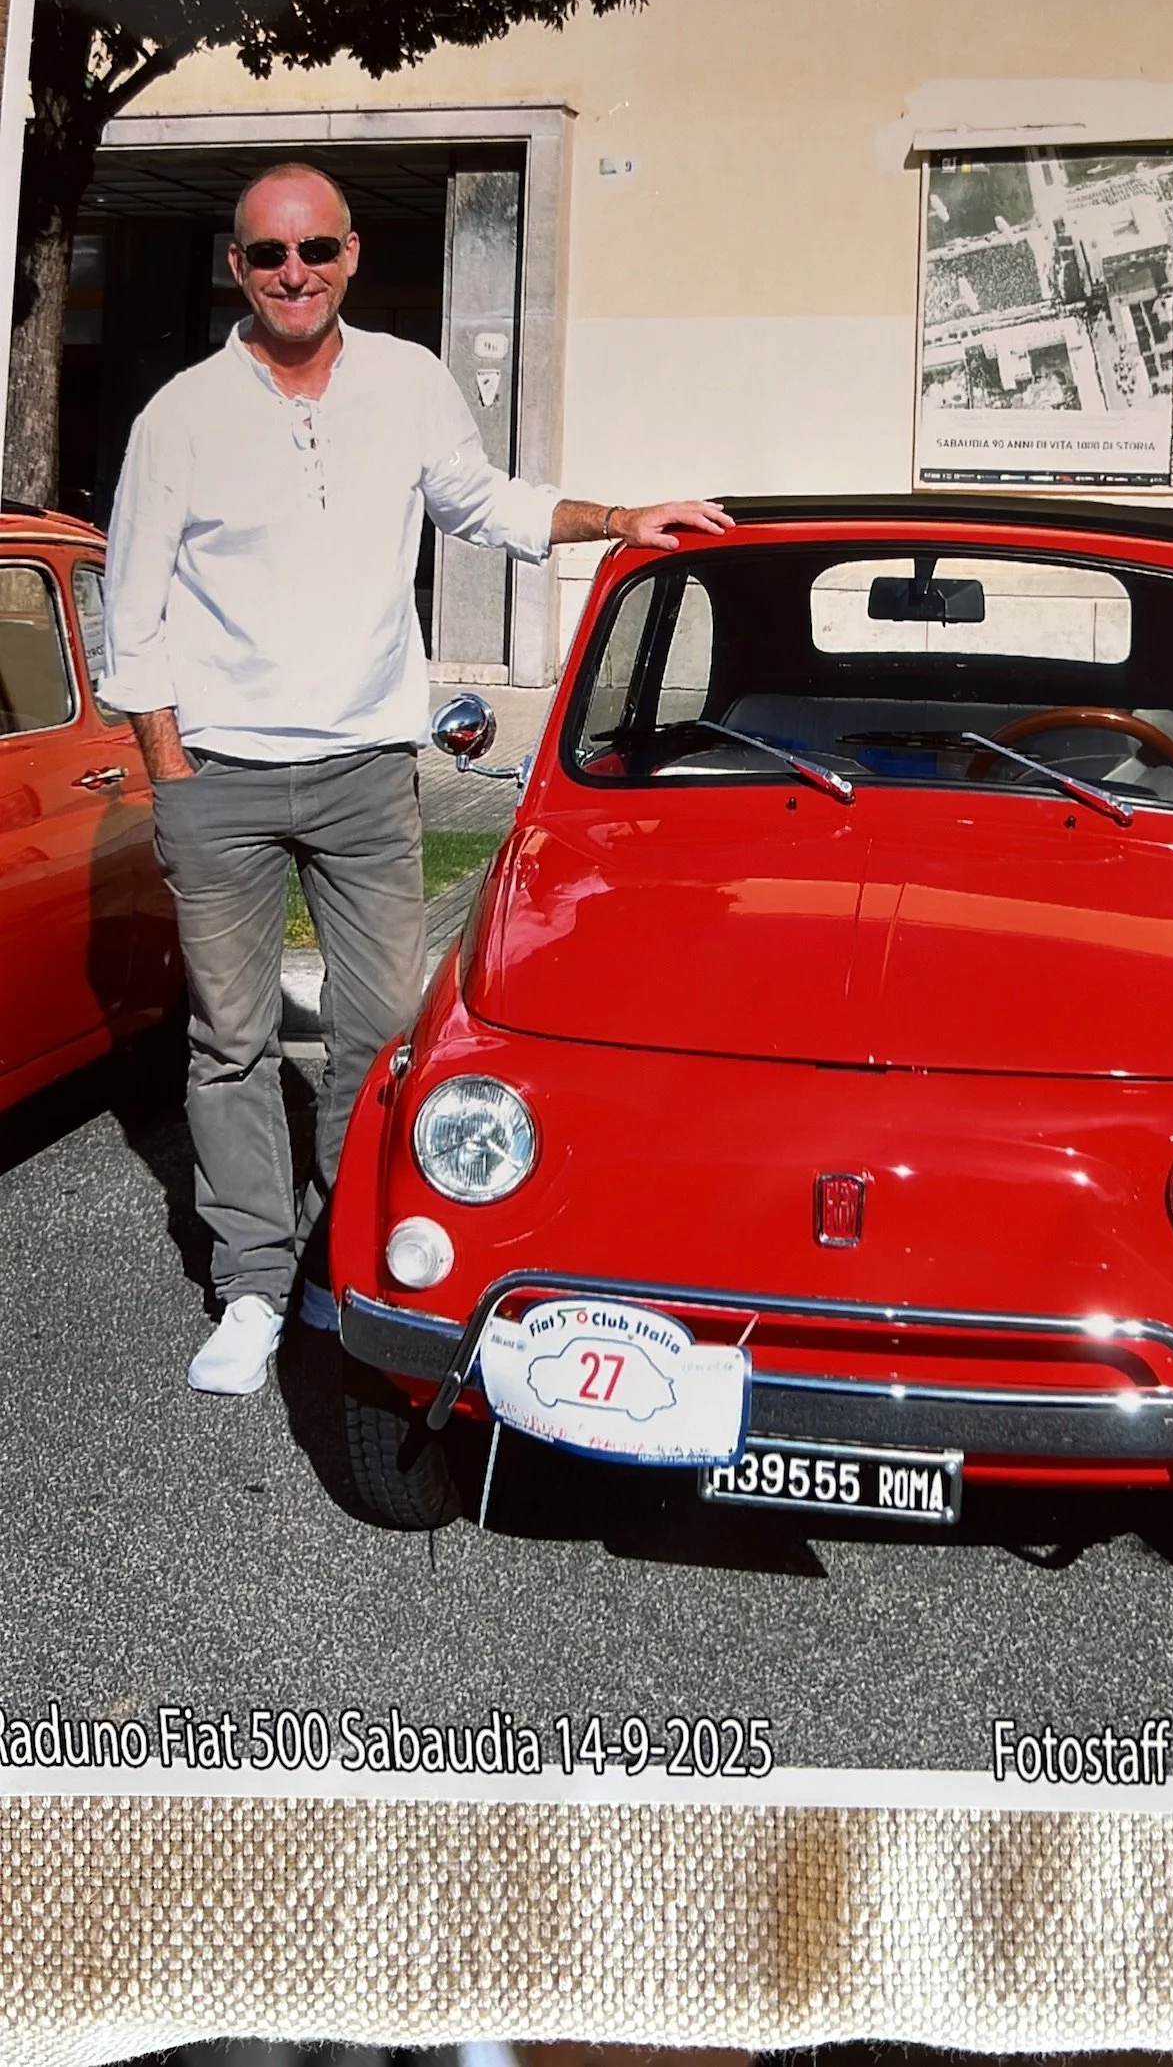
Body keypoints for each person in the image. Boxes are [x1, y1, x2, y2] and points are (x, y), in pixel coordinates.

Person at [100, 159, 730, 1397]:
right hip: (220, 778)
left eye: (317, 250)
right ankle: (251, 1285)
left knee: (379, 1039)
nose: (295, 274)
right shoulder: (180, 414)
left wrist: (616, 518)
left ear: (350, 257)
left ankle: (350, 1265)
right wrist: (173, 779)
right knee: (229, 1045)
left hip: (365, 776)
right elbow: (134, 619)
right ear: (236, 265)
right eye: (269, 255)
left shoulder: (409, 381)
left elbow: (480, 500)